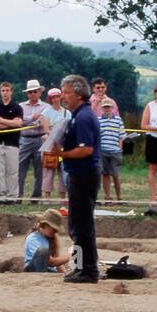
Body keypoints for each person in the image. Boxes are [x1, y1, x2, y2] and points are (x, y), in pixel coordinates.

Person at [57, 74, 101, 284]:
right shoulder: (78, 114)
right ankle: (81, 266)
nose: (62, 96)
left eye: (66, 92)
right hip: (78, 174)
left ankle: (89, 270)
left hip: (85, 174)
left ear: (78, 94)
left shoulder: (84, 117)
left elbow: (86, 150)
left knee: (82, 224)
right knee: (76, 223)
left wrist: (60, 154)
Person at [0, 80, 23, 203]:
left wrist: (2, 120)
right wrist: (10, 123)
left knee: (13, 171)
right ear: (0, 92)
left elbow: (19, 123)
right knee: (0, 171)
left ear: (11, 92)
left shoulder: (17, 107)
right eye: (3, 90)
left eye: (7, 90)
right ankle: (1, 196)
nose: (5, 93)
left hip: (13, 143)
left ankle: (12, 196)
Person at [17, 79, 49, 203]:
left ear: (40, 92)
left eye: (35, 91)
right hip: (24, 139)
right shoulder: (21, 106)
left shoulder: (46, 107)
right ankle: (18, 197)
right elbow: (20, 121)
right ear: (27, 94)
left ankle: (35, 198)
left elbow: (45, 121)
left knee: (39, 171)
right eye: (30, 92)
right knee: (20, 170)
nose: (32, 94)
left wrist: (29, 120)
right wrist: (33, 118)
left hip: (40, 138)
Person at [24, 208, 73, 273]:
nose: (56, 231)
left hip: (49, 271)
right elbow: (51, 262)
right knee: (43, 251)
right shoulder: (33, 239)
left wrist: (64, 273)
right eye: (54, 228)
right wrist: (70, 256)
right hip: (34, 271)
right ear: (44, 225)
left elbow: (56, 260)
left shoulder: (50, 238)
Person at [97, 97, 125, 204]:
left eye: (108, 107)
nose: (107, 109)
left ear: (112, 108)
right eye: (105, 107)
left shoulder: (118, 120)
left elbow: (121, 135)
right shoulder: (98, 120)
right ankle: (107, 196)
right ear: (102, 108)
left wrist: (120, 148)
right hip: (103, 151)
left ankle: (119, 197)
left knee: (116, 175)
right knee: (105, 174)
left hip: (115, 151)